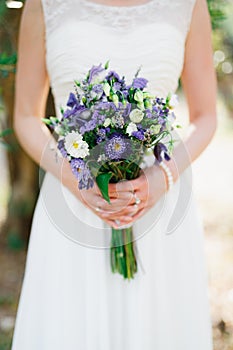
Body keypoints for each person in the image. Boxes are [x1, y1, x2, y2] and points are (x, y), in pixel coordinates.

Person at [11, 0, 216, 349]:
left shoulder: (189, 4)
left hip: (159, 207)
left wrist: (161, 178)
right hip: (72, 195)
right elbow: (26, 116)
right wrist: (77, 181)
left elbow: (206, 116)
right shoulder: (43, 4)